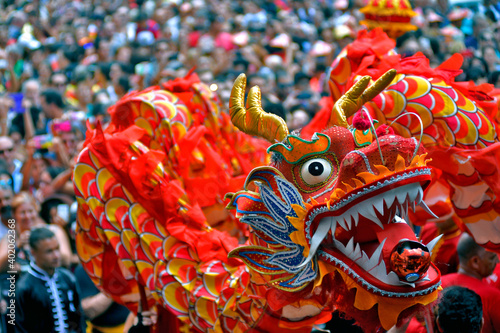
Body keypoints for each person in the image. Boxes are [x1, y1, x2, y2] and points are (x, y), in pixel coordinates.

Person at [15, 227, 85, 332]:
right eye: (49, 251)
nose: (56, 255)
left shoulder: (68, 278)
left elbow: (79, 317)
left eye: (57, 249)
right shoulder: (24, 287)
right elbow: (20, 328)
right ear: (33, 253)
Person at [440, 233, 500, 333]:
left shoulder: (438, 285)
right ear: (475, 261)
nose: (497, 261)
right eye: (492, 257)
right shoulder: (492, 297)